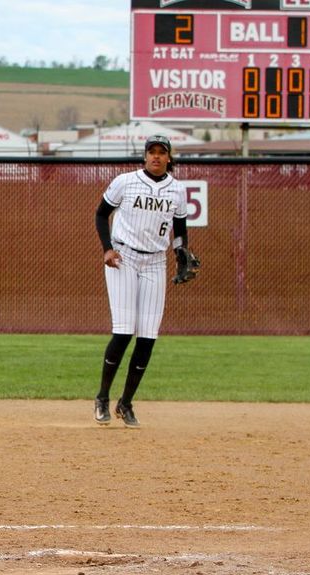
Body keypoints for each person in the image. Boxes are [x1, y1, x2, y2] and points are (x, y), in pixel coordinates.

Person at [93, 134, 192, 428]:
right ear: (145, 156)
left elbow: (180, 229)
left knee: (147, 337)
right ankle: (102, 397)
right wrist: (107, 248)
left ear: (170, 158)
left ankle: (125, 403)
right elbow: (101, 215)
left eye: (162, 152)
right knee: (124, 332)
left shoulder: (177, 190)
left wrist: (181, 254)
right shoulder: (126, 181)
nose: (157, 157)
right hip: (123, 257)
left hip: (155, 262)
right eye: (152, 151)